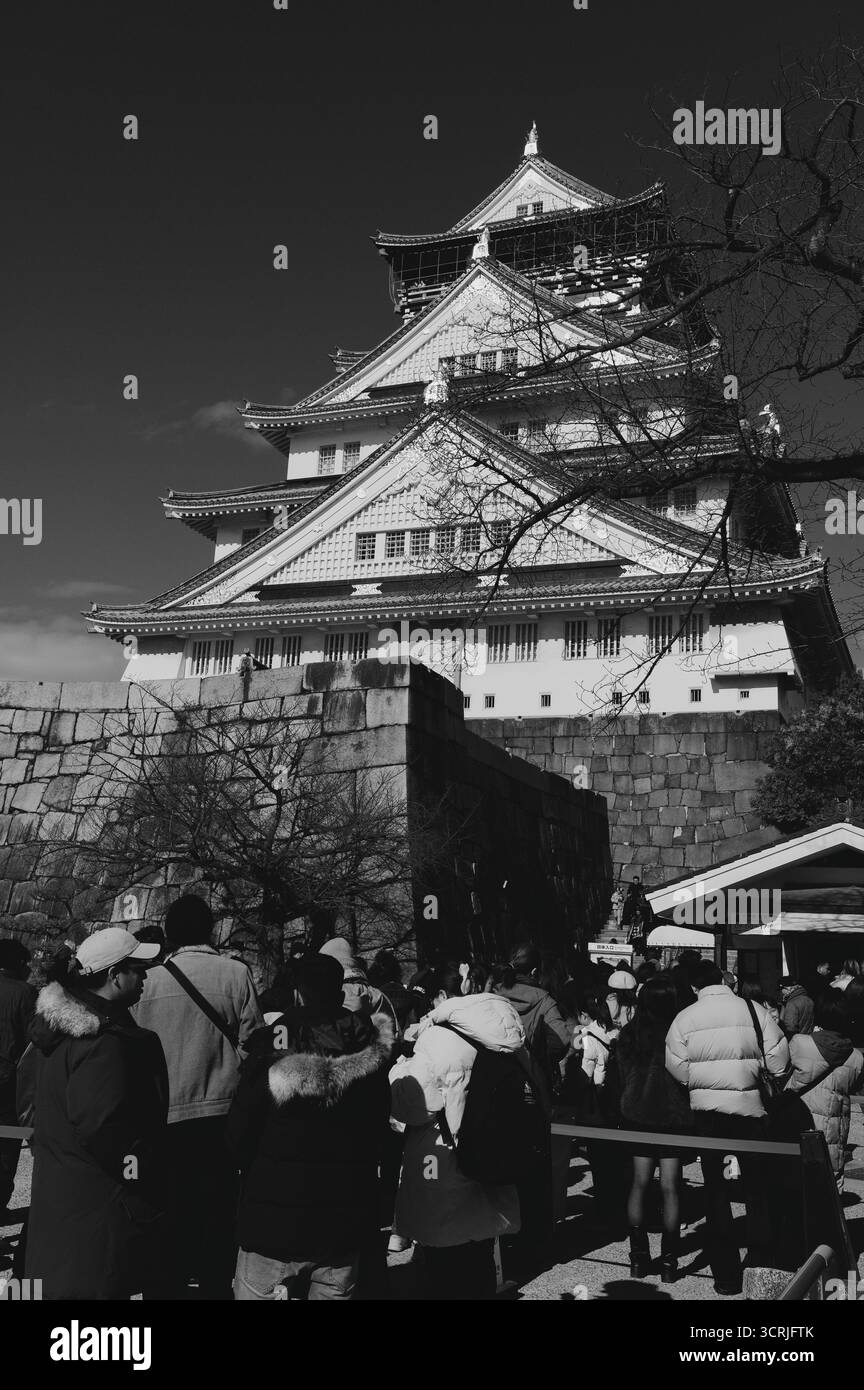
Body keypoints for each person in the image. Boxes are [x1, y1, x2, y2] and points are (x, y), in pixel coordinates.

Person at [227, 953, 393, 1300]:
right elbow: (379, 1133)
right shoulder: (368, 1048)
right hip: (341, 1220)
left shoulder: (270, 1044)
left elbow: (239, 1133)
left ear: (299, 993)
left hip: (271, 1219)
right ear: (338, 992)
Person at [132, 894, 263, 1299]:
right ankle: (212, 1286)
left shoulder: (147, 981)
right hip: (220, 1113)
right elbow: (254, 1044)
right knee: (217, 1211)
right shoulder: (235, 974)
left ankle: (166, 1285)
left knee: (167, 1207)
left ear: (169, 934)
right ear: (210, 930)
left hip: (163, 1114)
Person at [25, 928, 167, 1299]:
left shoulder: (56, 1033)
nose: (145, 975)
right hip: (97, 1205)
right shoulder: (103, 1044)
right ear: (114, 975)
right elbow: (103, 1129)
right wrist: (142, 1167)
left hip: (59, 1196)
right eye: (138, 968)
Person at [389, 967, 525, 1299]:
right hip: (490, 1159)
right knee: (478, 1258)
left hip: (443, 1161)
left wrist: (399, 1067)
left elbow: (414, 1106)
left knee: (443, 1267)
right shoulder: (510, 1039)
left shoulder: (438, 1038)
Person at [665, 959, 790, 1295]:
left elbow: (677, 1068)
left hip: (708, 1116)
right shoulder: (753, 1011)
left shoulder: (684, 1018)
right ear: (724, 980)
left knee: (716, 1195)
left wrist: (702, 1083)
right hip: (751, 1111)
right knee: (757, 1191)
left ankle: (726, 1278)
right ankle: (762, 1269)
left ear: (694, 986)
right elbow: (780, 1061)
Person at [614, 977, 693, 1282]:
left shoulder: (630, 1035)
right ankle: (670, 1265)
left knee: (639, 1183)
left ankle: (638, 1259)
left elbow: (620, 1076)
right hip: (674, 1116)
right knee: (671, 1186)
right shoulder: (681, 1034)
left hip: (638, 1115)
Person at [785, 993, 864, 1191]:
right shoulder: (856, 1057)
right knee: (831, 1174)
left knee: (795, 1174)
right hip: (835, 1124)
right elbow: (853, 1086)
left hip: (798, 1119)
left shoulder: (799, 1043)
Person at [0, 940, 35, 1213]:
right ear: (19, 964)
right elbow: (32, 1043)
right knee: (6, 1153)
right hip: (9, 1092)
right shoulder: (25, 993)